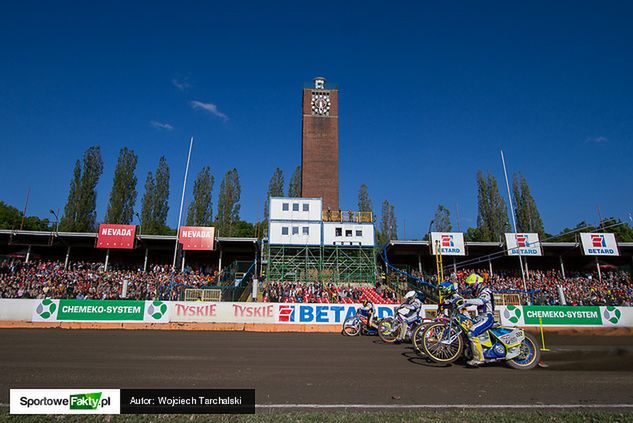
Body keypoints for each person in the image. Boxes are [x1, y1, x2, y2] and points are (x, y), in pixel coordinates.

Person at [462, 273, 495, 367]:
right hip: (480, 317)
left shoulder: (486, 291)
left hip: (487, 317)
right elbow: (473, 301)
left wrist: (466, 301)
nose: (470, 288)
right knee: (465, 328)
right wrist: (462, 304)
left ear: (476, 283)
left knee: (471, 333)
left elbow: (480, 301)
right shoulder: (479, 293)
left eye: (471, 285)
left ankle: (479, 358)